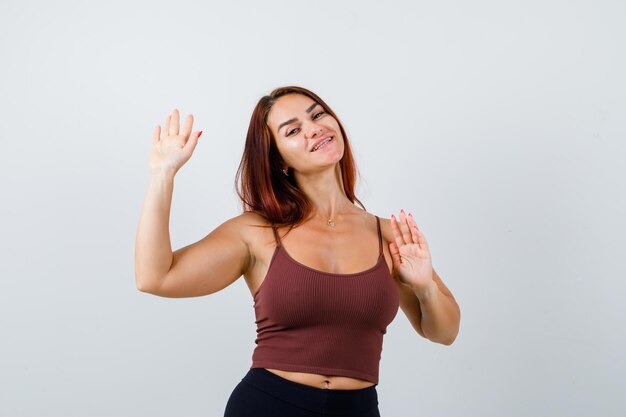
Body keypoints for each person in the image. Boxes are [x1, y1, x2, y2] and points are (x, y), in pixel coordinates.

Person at [135, 86, 461, 416]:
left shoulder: (389, 234)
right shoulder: (256, 232)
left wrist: (424, 288)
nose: (314, 128)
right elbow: (155, 277)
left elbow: (444, 332)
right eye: (293, 130)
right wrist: (162, 175)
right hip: (269, 405)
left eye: (318, 114)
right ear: (278, 160)